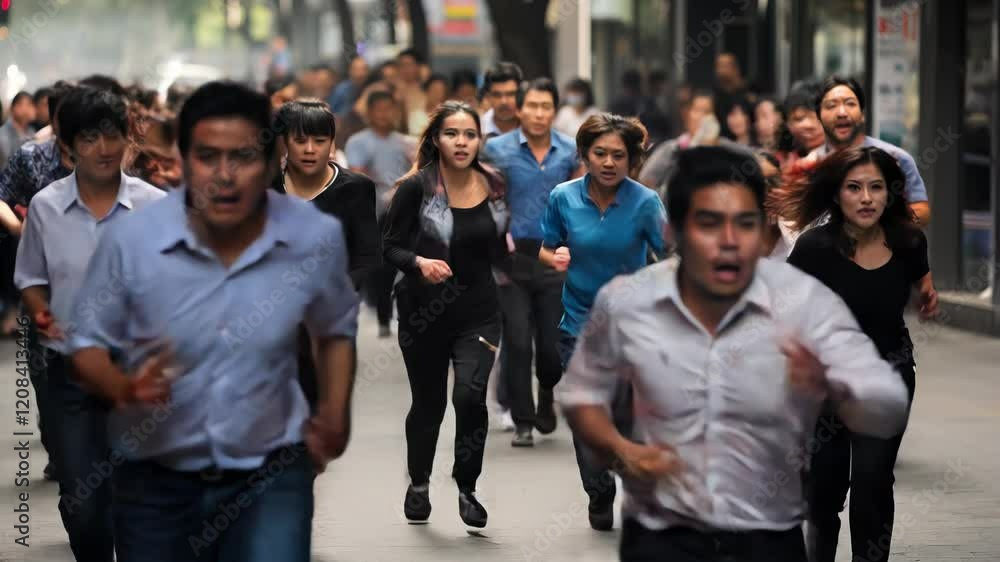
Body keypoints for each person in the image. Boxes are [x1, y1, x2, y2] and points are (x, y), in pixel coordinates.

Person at [558, 145, 911, 562]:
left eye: (744, 224)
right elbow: (581, 396)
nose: (728, 241)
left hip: (767, 535)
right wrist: (624, 452)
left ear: (763, 229)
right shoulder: (627, 303)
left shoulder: (803, 303)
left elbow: (886, 399)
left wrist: (837, 391)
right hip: (662, 535)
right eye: (709, 223)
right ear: (674, 230)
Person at [67, 81, 359, 562]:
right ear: (181, 161)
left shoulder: (313, 237)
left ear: (269, 160)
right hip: (153, 477)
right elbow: (86, 344)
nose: (224, 175)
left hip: (272, 471)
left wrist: (334, 415)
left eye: (242, 156)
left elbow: (334, 330)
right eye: (207, 156)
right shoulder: (132, 241)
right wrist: (121, 386)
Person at [14, 86, 165, 562]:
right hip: (70, 372)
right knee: (82, 500)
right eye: (88, 138)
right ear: (67, 146)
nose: (102, 148)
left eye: (112, 135)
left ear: (128, 140)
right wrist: (43, 315)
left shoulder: (157, 206)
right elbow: (31, 279)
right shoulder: (44, 208)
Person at [778, 147, 938, 562]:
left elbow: (922, 279)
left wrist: (928, 297)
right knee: (824, 492)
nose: (866, 198)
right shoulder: (813, 248)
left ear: (890, 194)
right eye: (854, 188)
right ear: (836, 195)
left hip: (888, 375)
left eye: (876, 188)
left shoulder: (907, 241)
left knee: (873, 480)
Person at [382, 101, 510, 529]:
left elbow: (501, 247)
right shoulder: (416, 188)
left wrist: (543, 259)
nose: (461, 142)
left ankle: (466, 486)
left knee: (470, 397)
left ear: (479, 140)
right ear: (436, 139)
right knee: (430, 404)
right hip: (423, 314)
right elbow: (389, 246)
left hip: (479, 312)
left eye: (470, 134)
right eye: (452, 133)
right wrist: (418, 262)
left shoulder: (494, 184)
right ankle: (418, 482)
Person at [539, 113, 666, 531]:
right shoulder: (563, 196)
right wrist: (554, 257)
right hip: (578, 324)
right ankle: (598, 491)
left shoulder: (645, 202)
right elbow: (546, 246)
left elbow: (670, 256)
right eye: (600, 154)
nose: (609, 163)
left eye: (618, 155)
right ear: (585, 155)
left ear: (632, 160)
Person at [483, 78, 583, 447]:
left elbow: (580, 200)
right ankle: (523, 420)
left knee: (552, 347)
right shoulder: (496, 150)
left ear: (554, 110)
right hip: (512, 257)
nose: (539, 114)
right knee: (518, 341)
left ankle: (546, 395)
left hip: (554, 259)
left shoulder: (570, 151)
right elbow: (488, 198)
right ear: (520, 109)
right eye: (533, 106)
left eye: (546, 107)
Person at [272, 99, 379, 411]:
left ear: (332, 145)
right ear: (284, 143)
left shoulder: (355, 189)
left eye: (319, 141)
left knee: (321, 408)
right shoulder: (265, 191)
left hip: (330, 320)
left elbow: (366, 256)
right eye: (300, 140)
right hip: (271, 317)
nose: (309, 149)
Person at [810, 76, 931, 226]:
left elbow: (921, 211)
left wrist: (880, 229)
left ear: (862, 115)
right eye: (831, 105)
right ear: (818, 116)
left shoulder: (895, 157)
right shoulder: (810, 164)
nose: (842, 112)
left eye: (850, 104)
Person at [346, 90, 416, 337]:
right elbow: (357, 174)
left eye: (389, 108)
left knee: (404, 262)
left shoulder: (407, 143)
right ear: (370, 112)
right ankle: (383, 315)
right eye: (379, 109)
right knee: (380, 268)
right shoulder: (358, 142)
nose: (384, 114)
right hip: (372, 212)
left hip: (402, 211)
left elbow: (418, 171)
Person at [480, 62, 523, 138]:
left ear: (520, 94)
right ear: (488, 97)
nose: (504, 102)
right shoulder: (478, 130)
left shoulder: (533, 127)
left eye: (510, 94)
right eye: (497, 95)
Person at [1, 91, 37, 168]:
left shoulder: (31, 130)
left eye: (32, 105)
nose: (32, 109)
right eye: (28, 104)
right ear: (15, 107)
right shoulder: (3, 134)